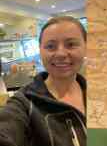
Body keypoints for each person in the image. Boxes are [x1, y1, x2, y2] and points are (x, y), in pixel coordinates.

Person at [0, 16, 87, 146]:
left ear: (86, 47)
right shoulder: (24, 103)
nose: (61, 54)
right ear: (40, 50)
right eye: (50, 46)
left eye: (71, 44)